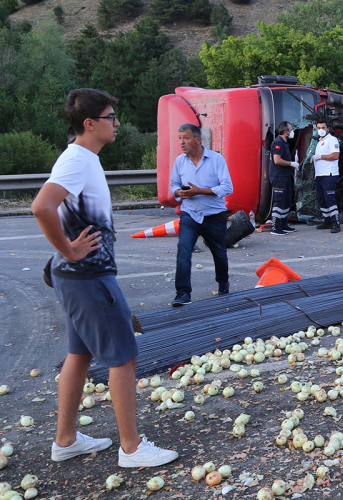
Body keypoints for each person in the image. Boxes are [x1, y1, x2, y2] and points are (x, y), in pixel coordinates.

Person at [31, 88, 178, 468]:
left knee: (78, 356)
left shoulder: (83, 159)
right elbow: (41, 206)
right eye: (111, 117)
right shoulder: (78, 160)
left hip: (77, 277)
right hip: (88, 276)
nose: (117, 123)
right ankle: (131, 448)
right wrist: (68, 249)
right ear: (89, 123)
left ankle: (65, 440)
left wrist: (65, 253)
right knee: (124, 356)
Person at [168, 123, 234, 307]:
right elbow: (173, 184)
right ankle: (182, 294)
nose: (182, 142)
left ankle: (223, 285)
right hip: (189, 213)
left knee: (219, 253)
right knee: (183, 250)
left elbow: (227, 188)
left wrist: (200, 191)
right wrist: (178, 192)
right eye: (180, 138)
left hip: (214, 215)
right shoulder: (180, 161)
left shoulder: (216, 159)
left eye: (186, 138)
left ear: (198, 140)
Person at [269, 121, 299, 235]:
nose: (292, 132)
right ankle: (275, 227)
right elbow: (277, 160)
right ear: (286, 132)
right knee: (279, 202)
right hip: (279, 176)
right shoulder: (278, 143)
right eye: (291, 130)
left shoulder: (284, 142)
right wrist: (291, 163)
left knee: (286, 201)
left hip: (285, 175)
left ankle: (283, 224)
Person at [312, 120, 341, 233]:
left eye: (323, 127)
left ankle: (335, 222)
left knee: (330, 199)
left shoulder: (332, 139)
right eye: (319, 128)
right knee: (321, 198)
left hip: (329, 174)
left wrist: (320, 156)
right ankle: (327, 220)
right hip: (319, 174)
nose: (321, 130)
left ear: (328, 128)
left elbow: (335, 155)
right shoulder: (320, 141)